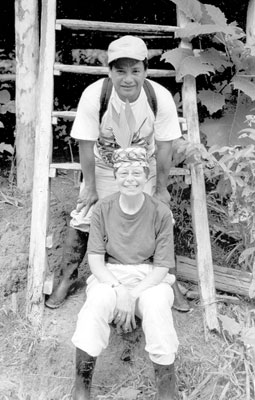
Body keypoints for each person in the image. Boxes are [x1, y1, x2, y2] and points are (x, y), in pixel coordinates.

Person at [45, 35, 190, 312]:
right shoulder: (95, 95)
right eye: (120, 71)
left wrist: (160, 188)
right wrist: (90, 187)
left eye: (135, 70)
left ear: (145, 70)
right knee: (85, 213)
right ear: (109, 71)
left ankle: (168, 280)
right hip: (104, 165)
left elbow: (164, 147)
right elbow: (86, 145)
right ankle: (67, 277)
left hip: (141, 166)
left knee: (160, 216)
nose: (128, 79)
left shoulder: (158, 97)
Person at [71, 146, 179, 400]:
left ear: (146, 176)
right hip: (110, 274)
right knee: (96, 303)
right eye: (123, 173)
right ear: (116, 176)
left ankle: (166, 392)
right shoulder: (103, 209)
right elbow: (96, 261)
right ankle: (81, 391)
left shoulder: (160, 212)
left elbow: (162, 267)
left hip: (150, 276)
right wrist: (119, 289)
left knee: (156, 306)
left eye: (136, 173)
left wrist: (133, 295)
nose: (130, 179)